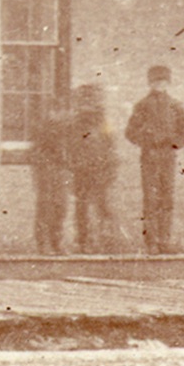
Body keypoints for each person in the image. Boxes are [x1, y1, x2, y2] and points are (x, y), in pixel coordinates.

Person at [125, 64, 184, 253]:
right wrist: (147, 139)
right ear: (150, 83)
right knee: (151, 199)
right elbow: (130, 132)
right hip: (150, 157)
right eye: (155, 81)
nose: (159, 84)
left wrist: (174, 143)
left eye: (163, 81)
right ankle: (152, 242)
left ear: (168, 83)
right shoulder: (143, 106)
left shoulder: (175, 106)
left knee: (167, 199)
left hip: (168, 157)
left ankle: (165, 240)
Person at [65, 79, 121, 251]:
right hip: (81, 170)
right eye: (85, 101)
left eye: (92, 100)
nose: (88, 105)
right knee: (82, 206)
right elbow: (70, 146)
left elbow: (110, 146)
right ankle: (83, 241)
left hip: (100, 169)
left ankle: (106, 241)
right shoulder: (74, 124)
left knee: (103, 206)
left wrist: (110, 168)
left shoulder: (103, 123)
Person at [29, 91, 74, 253]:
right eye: (57, 110)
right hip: (47, 171)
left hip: (62, 171)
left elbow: (71, 149)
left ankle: (57, 241)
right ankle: (43, 242)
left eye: (62, 110)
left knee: (61, 206)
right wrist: (45, 167)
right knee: (46, 206)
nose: (61, 114)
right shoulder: (42, 128)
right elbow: (36, 153)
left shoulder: (68, 129)